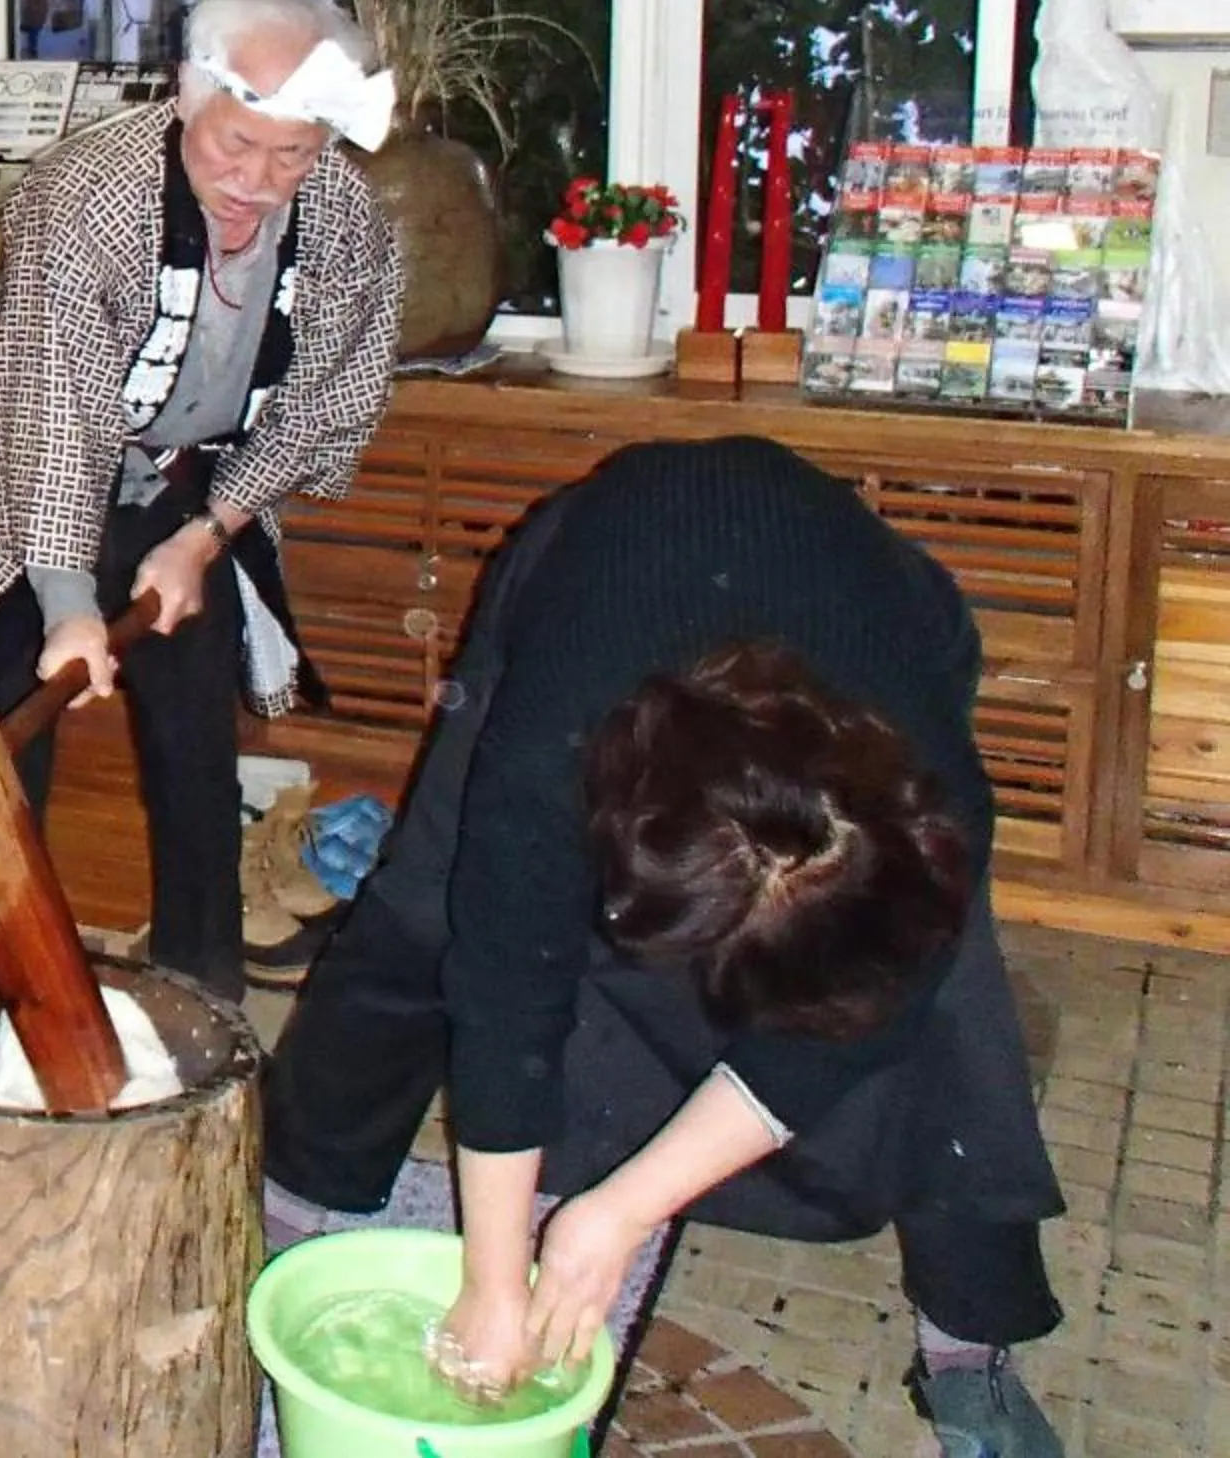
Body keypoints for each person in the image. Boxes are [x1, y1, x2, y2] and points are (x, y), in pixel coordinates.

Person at [261, 436, 1066, 1455]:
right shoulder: (551, 752)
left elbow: (872, 1017)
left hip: (864, 594)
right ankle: (297, 1194)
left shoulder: (932, 805)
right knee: (429, 903)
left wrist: (620, 1212)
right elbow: (509, 988)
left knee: (947, 1003)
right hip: (587, 575)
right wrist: (494, 1278)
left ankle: (969, 1339)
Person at [0, 0, 401, 997]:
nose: (259, 182)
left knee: (195, 751)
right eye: (238, 145)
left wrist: (206, 534)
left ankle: (202, 994)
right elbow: (50, 407)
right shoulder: (88, 192)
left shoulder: (348, 216)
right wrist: (66, 606)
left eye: (292, 154)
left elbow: (325, 400)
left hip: (193, 494)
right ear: (186, 96)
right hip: (23, 501)